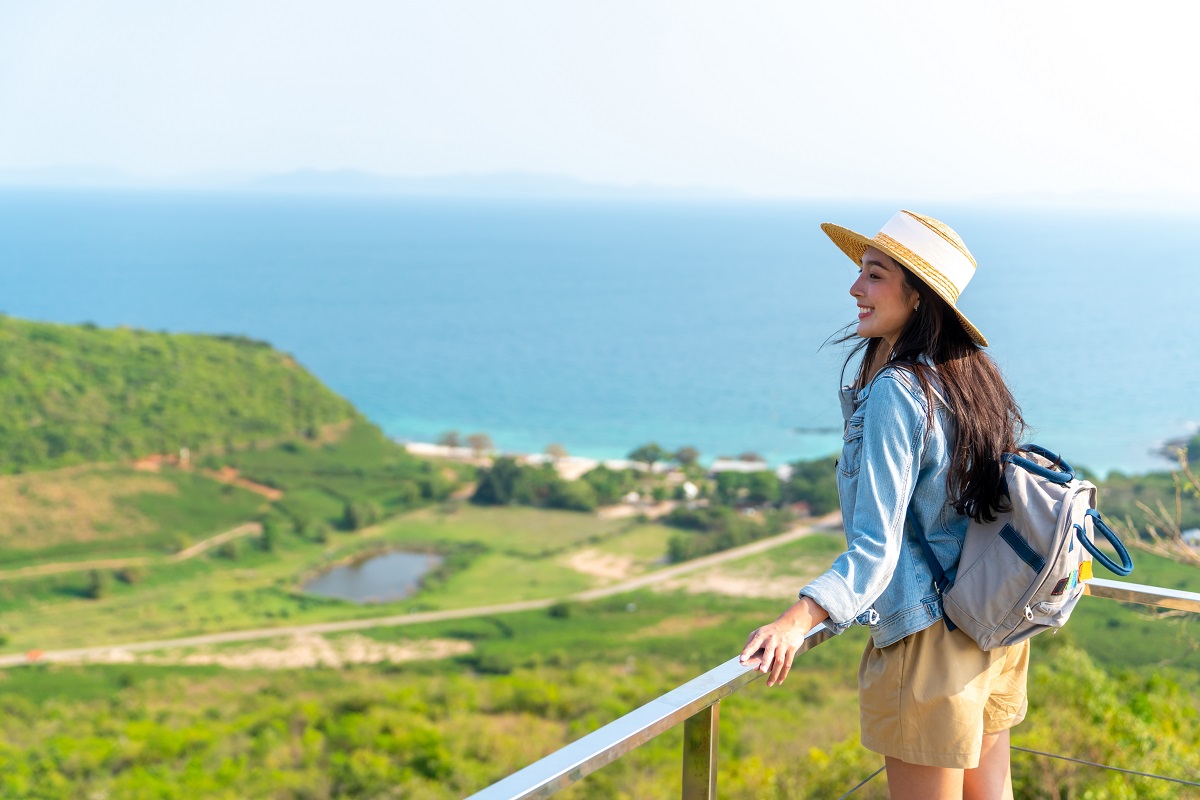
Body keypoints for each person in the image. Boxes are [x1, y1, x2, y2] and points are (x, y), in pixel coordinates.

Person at [739, 210, 1027, 800]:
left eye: (874, 274)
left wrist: (795, 621)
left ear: (917, 296)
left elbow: (877, 547)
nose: (855, 288)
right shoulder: (969, 376)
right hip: (992, 627)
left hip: (929, 642)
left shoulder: (900, 391)